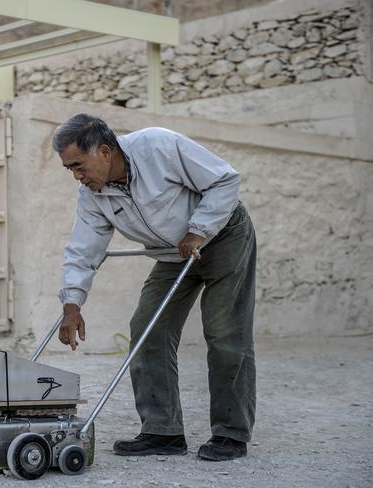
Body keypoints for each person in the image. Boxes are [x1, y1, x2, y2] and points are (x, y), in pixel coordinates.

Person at [53, 114, 257, 462]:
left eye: (78, 165)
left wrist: (199, 229)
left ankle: (230, 434)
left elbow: (225, 180)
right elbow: (83, 249)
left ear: (104, 152)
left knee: (224, 331)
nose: (76, 175)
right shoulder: (92, 195)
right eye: (69, 168)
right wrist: (72, 304)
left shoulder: (158, 145)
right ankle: (163, 431)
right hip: (174, 253)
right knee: (148, 329)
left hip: (223, 235)